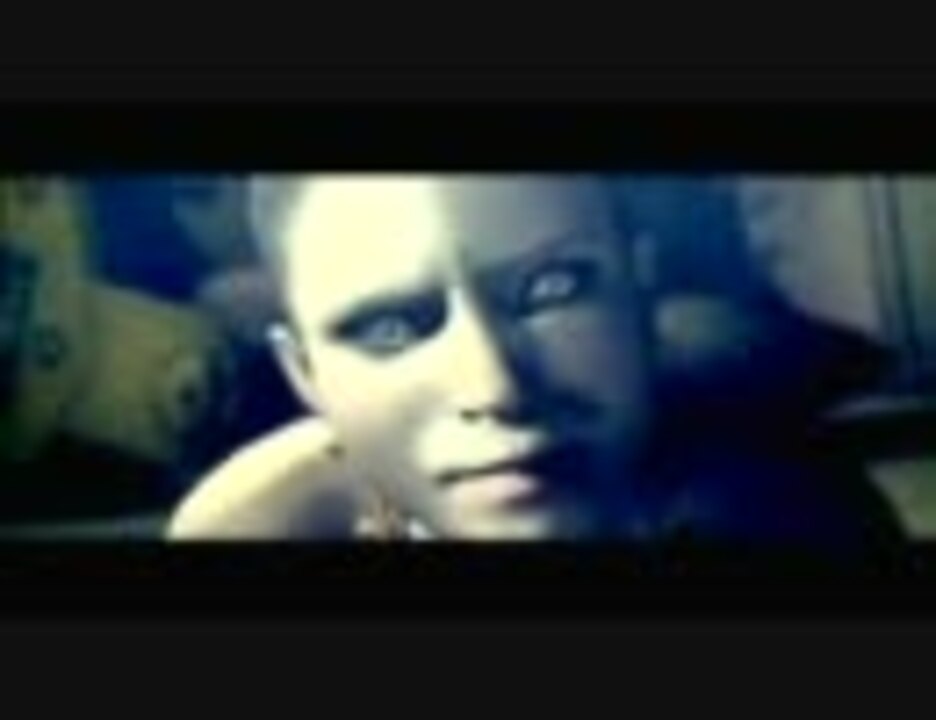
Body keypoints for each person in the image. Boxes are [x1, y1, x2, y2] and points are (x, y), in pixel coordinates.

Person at [167, 174, 905, 548]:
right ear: (305, 375)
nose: (495, 385)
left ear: (641, 295)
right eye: (389, 328)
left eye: (555, 287)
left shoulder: (792, 513)